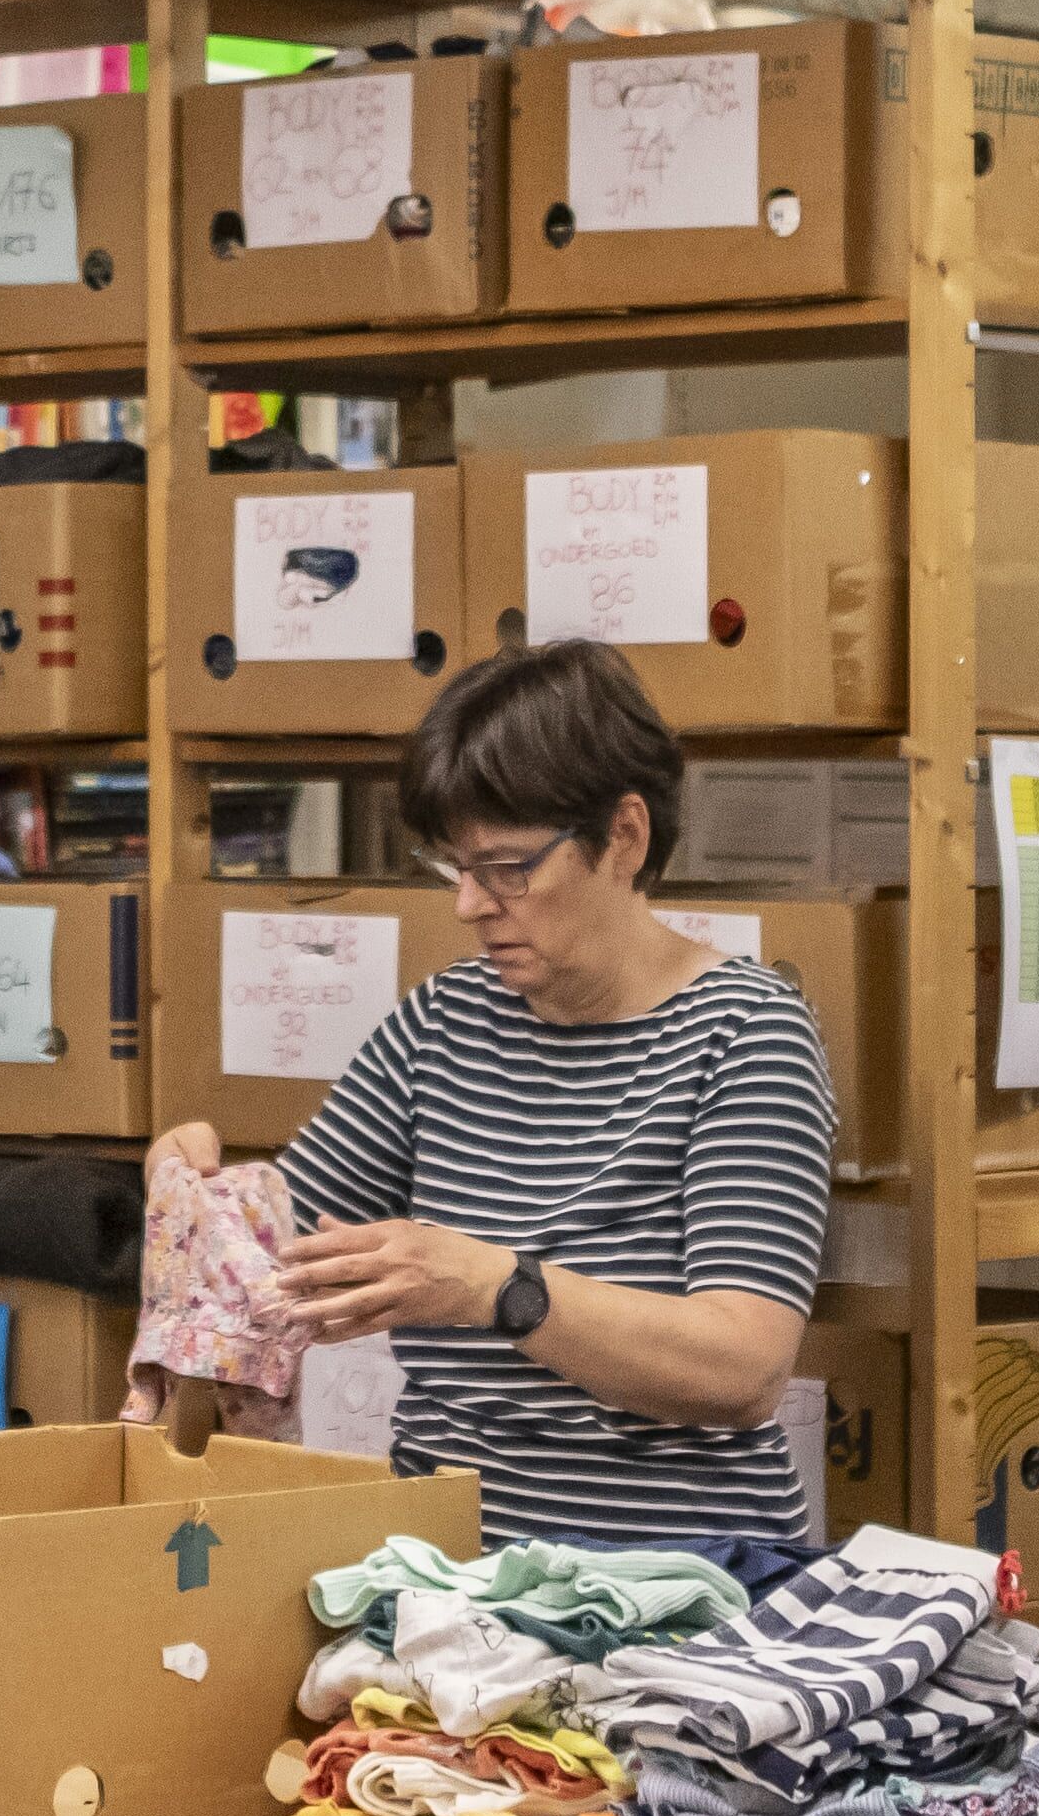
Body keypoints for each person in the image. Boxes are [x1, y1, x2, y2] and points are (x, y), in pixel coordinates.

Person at [238, 641, 839, 1549]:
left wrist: (493, 1287)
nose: (470, 905)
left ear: (623, 837)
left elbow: (742, 1368)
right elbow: (272, 1253)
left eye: (507, 868)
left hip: (674, 1575)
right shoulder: (443, 1022)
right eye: (454, 867)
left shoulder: (746, 1035)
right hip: (447, 1568)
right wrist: (199, 1200)